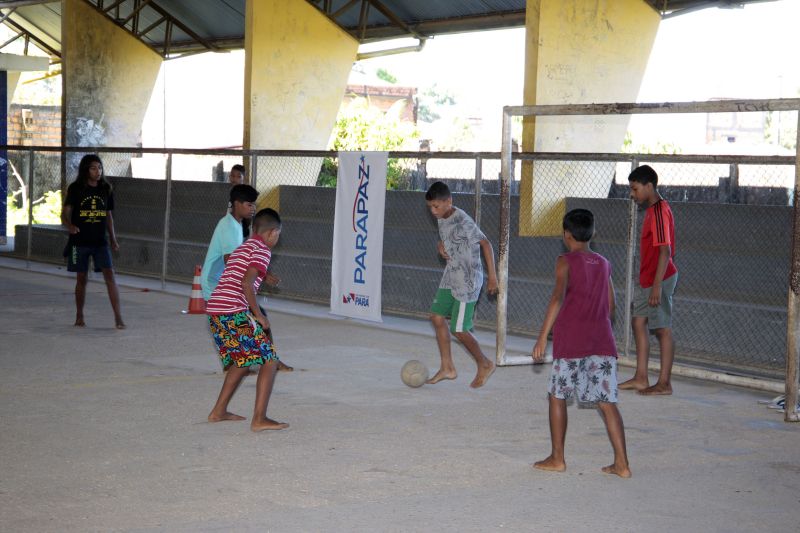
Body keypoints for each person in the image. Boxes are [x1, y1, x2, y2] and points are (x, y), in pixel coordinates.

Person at [531, 209, 630, 478]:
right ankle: (622, 464)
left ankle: (557, 458)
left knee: (557, 396)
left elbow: (557, 298)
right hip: (602, 342)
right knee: (607, 402)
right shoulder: (604, 263)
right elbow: (611, 306)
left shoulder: (564, 261)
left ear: (566, 234)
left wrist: (542, 336)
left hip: (572, 342)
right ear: (592, 233)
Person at [206, 208, 288, 432]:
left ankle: (218, 411)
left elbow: (241, 271)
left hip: (216, 310)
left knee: (242, 362)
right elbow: (246, 284)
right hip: (233, 311)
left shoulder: (245, 246)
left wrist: (264, 275)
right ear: (272, 233)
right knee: (270, 360)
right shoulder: (263, 250)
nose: (277, 239)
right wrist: (259, 315)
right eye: (278, 235)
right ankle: (259, 418)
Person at [201, 185, 292, 371]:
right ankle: (270, 360)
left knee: (226, 321)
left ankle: (237, 364)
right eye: (249, 204)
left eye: (254, 205)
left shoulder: (236, 226)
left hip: (223, 286)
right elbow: (231, 260)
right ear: (236, 204)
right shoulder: (230, 227)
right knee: (258, 316)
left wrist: (263, 275)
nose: (252, 208)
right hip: (217, 283)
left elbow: (244, 262)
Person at [424, 181, 498, 388]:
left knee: (458, 328)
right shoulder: (442, 217)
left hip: (468, 279)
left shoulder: (462, 220)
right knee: (437, 317)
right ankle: (448, 368)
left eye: (436, 206)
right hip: (451, 274)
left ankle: (484, 363)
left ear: (449, 201)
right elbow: (445, 238)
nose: (433, 211)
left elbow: (486, 243)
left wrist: (493, 276)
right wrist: (440, 246)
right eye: (430, 207)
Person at [619, 165, 678, 396]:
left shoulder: (659, 211)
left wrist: (656, 286)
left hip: (659, 279)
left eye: (635, 189)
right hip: (649, 279)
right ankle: (641, 377)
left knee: (662, 329)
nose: (632, 195)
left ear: (649, 186)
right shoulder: (652, 211)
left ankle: (664, 383)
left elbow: (665, 251)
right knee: (638, 322)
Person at [61, 154, 125, 329]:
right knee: (81, 278)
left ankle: (118, 317)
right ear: (86, 170)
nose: (98, 171)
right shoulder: (76, 189)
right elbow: (64, 214)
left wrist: (113, 239)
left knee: (110, 275)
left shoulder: (105, 188)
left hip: (100, 242)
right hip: (79, 242)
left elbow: (108, 216)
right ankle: (79, 315)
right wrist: (70, 226)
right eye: (93, 168)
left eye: (100, 167)